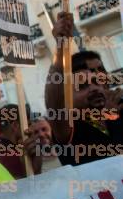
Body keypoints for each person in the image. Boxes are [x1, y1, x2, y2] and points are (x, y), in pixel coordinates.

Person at [45, 12, 123, 166]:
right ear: (67, 97)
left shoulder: (115, 114)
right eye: (82, 86)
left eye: (96, 82)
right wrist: (61, 46)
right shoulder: (69, 128)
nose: (94, 88)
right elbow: (54, 101)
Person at [0, 104, 42, 179]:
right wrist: (36, 170)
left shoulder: (0, 151)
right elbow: (28, 187)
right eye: (28, 125)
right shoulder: (10, 156)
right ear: (15, 125)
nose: (31, 130)